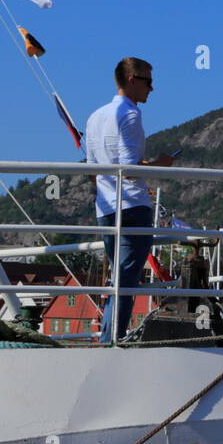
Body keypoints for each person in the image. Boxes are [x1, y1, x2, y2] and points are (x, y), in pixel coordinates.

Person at [87, 57, 176, 341]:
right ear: (132, 80)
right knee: (126, 280)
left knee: (119, 278)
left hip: (106, 207)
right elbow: (131, 170)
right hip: (132, 206)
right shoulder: (130, 114)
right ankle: (110, 341)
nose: (153, 88)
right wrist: (161, 164)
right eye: (148, 81)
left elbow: (93, 170)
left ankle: (108, 338)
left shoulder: (94, 116)